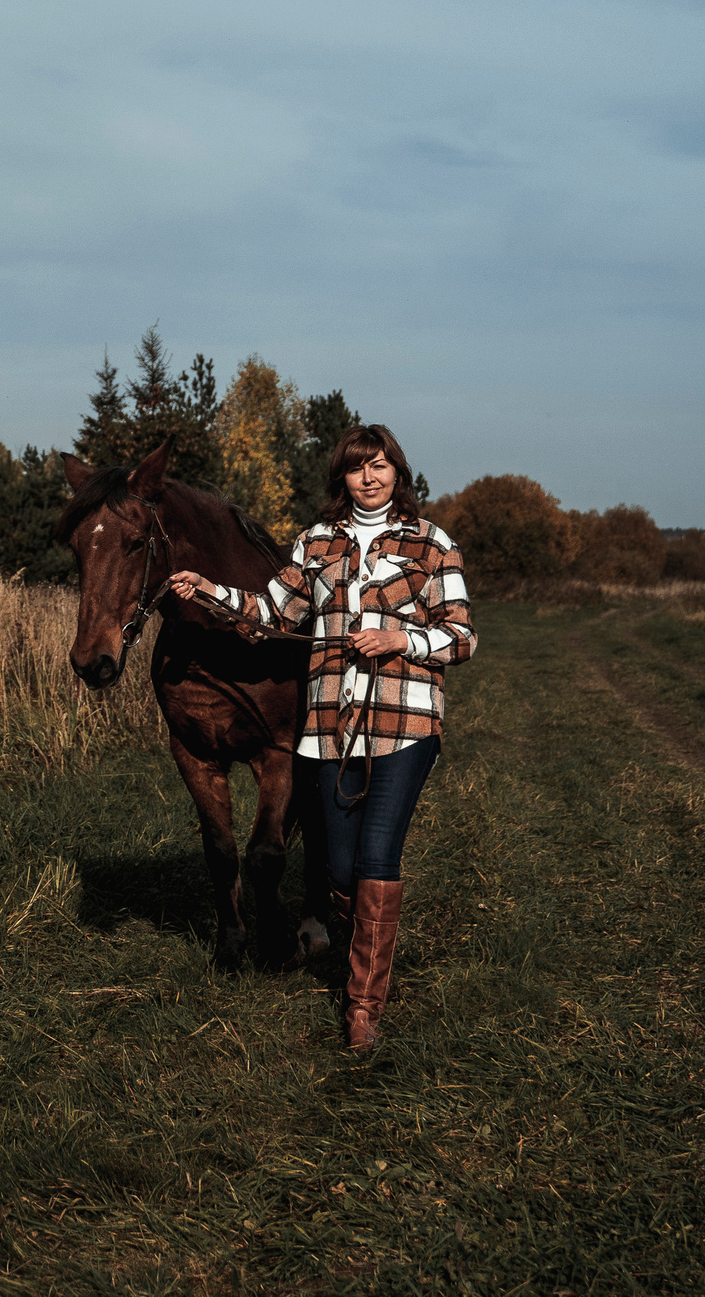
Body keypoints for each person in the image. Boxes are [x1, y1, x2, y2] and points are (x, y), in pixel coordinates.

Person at [164, 424, 475, 1051]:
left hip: (405, 723)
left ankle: (363, 1009)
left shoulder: (432, 543)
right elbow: (274, 613)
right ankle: (355, 935)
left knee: (376, 860)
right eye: (359, 468)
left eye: (382, 466)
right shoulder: (315, 543)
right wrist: (210, 591)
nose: (371, 478)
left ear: (398, 472)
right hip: (330, 729)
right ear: (343, 477)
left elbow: (461, 636)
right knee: (336, 868)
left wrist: (401, 640)